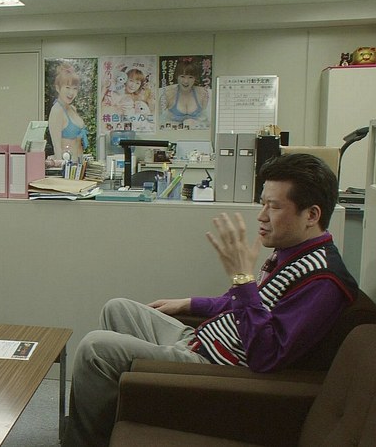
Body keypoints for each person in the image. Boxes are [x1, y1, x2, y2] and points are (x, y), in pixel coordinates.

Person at [63, 153, 358, 446]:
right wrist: (190, 303)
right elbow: (242, 304)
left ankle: (84, 441)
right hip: (203, 339)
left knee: (95, 349)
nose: (262, 216)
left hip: (213, 363)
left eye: (275, 206)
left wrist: (243, 279)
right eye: (263, 203)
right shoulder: (291, 252)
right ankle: (113, 414)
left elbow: (266, 355)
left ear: (312, 215)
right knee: (117, 308)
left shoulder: (322, 280)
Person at [48, 61, 87, 161]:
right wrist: (59, 166)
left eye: (75, 88)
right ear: (58, 88)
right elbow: (57, 147)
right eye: (67, 87)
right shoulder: (57, 111)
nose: (71, 92)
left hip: (79, 163)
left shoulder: (72, 108)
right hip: (67, 165)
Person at [159, 58, 210, 128]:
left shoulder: (202, 94)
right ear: (177, 76)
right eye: (182, 76)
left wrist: (196, 123)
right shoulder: (168, 94)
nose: (186, 81)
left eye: (190, 77)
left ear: (195, 78)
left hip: (197, 132)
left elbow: (208, 121)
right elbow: (158, 121)